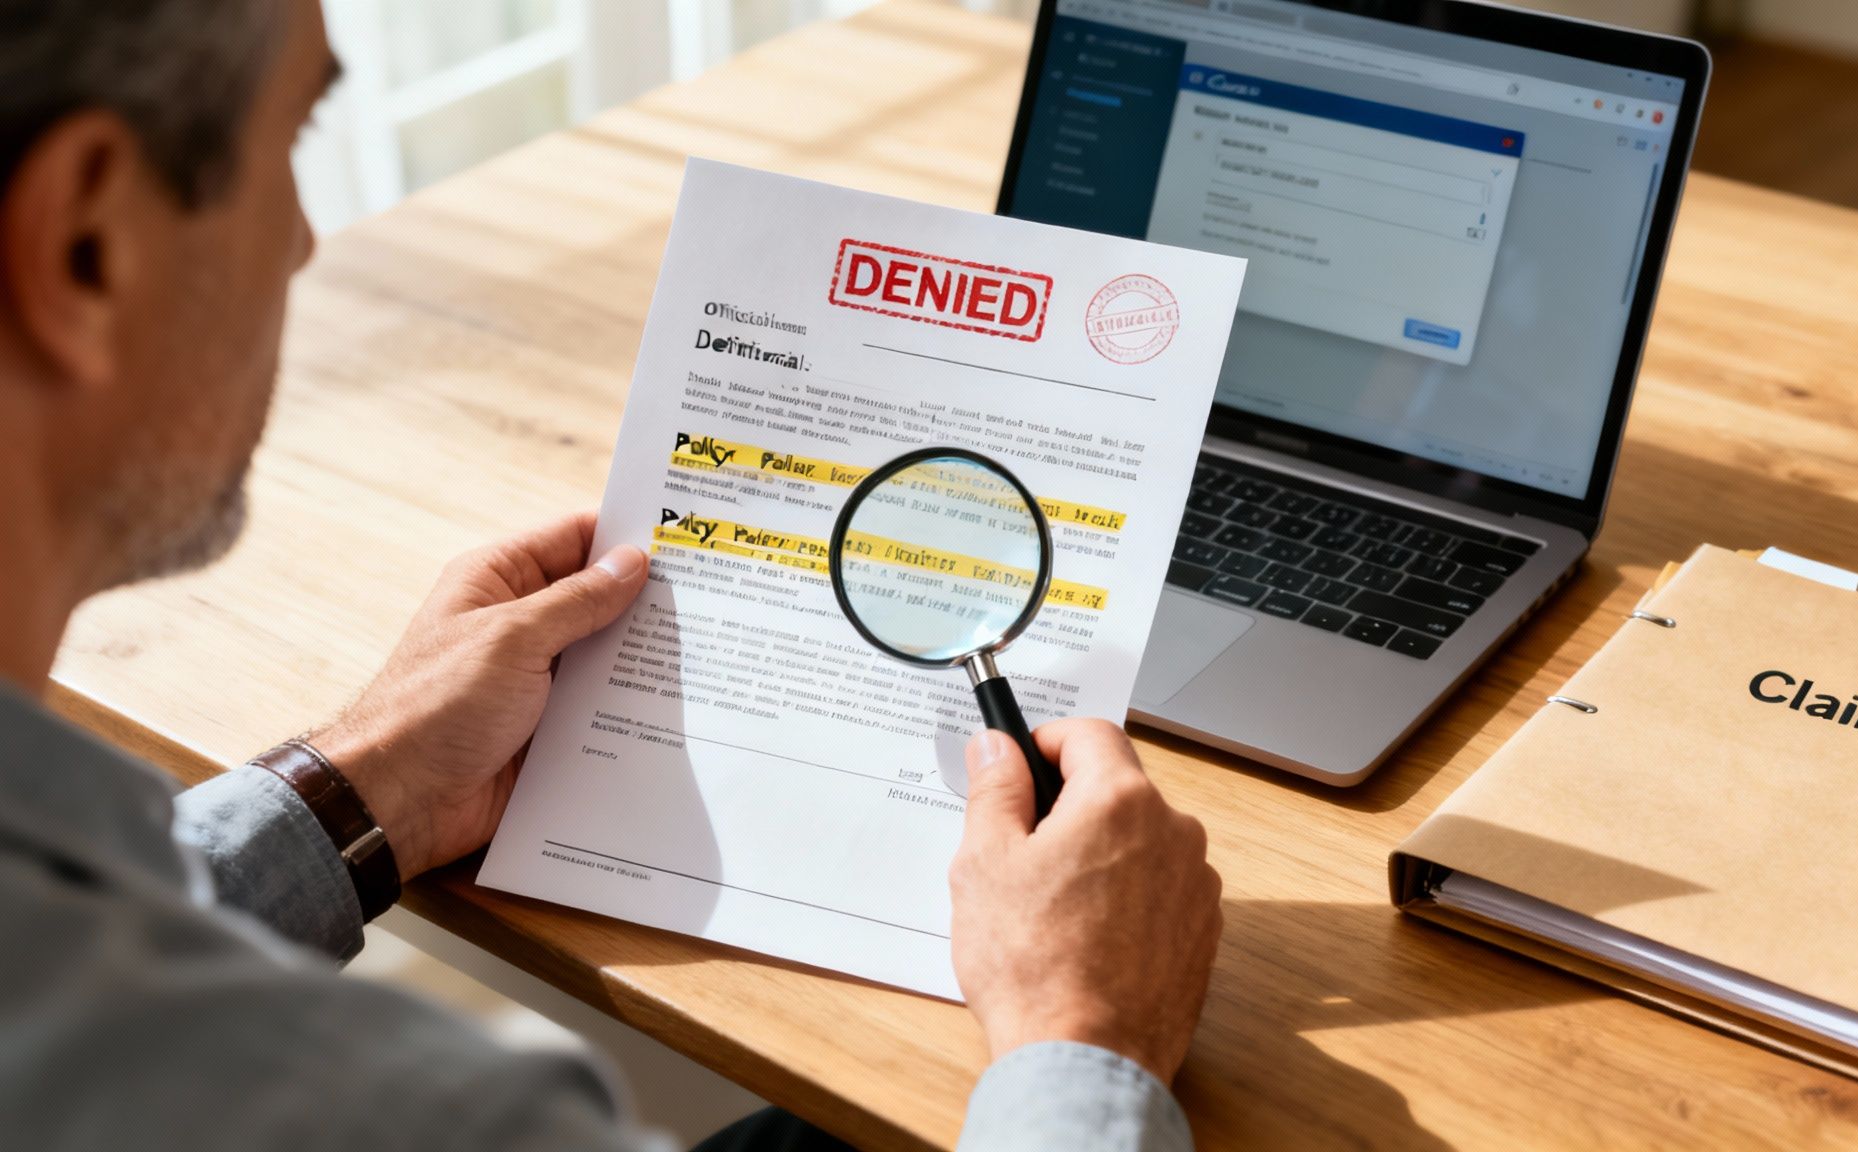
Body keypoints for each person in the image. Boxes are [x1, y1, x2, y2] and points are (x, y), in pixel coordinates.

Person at [0, 2, 1224, 1149]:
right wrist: (1084, 1034)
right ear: (86, 242)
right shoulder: (419, 1111)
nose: (308, 240)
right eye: (295, 139)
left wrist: (364, 787)